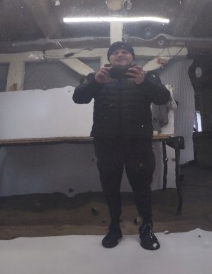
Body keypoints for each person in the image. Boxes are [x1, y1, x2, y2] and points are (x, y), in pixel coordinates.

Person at [73, 41, 171, 250]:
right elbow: (78, 98)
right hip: (106, 142)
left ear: (132, 57)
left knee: (142, 186)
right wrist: (95, 83)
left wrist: (143, 82)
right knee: (110, 186)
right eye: (115, 52)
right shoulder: (96, 76)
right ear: (109, 58)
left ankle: (147, 227)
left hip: (138, 142)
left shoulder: (147, 76)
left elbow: (163, 98)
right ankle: (114, 226)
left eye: (125, 52)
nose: (120, 54)